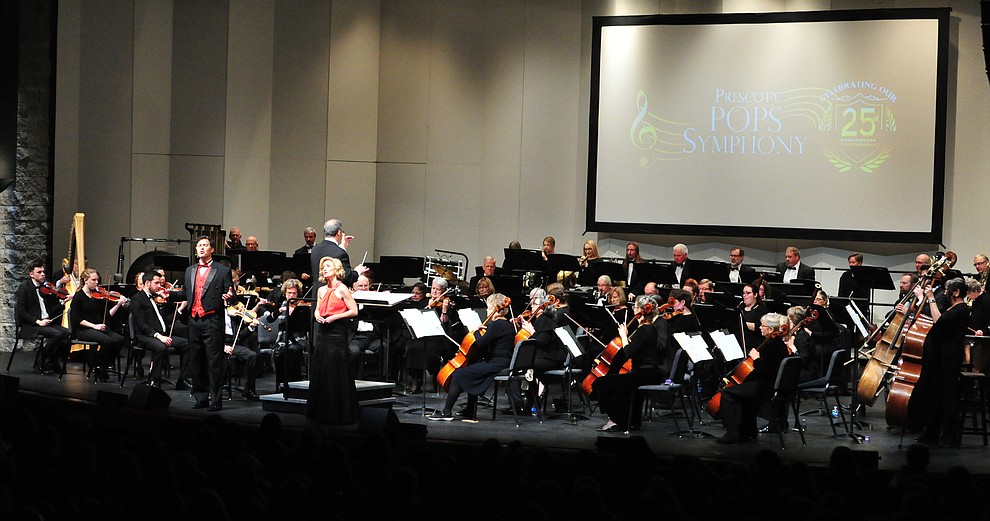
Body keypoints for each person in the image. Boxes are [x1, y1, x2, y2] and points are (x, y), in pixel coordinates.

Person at [429, 293, 515, 421]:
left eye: (488, 307)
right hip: (502, 361)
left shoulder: (496, 325)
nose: (487, 310)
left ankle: (446, 413)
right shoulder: (507, 324)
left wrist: (475, 332)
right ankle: (470, 410)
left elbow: (481, 343)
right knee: (471, 366)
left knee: (458, 374)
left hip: (497, 364)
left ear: (494, 308)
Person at [716, 312, 791, 444]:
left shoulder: (772, 346)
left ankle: (732, 433)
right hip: (770, 385)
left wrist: (756, 359)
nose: (760, 328)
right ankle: (748, 432)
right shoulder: (778, 345)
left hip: (765, 387)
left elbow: (764, 371)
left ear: (771, 329)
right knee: (741, 392)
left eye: (763, 325)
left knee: (727, 393)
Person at [913, 277, 970, 447]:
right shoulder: (955, 308)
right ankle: (931, 433)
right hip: (941, 359)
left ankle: (947, 437)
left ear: (956, 292)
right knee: (937, 398)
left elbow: (938, 320)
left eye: (947, 290)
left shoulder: (961, 309)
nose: (945, 293)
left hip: (949, 360)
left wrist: (930, 297)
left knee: (948, 399)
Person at [593, 295, 663, 432]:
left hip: (644, 373)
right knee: (619, 384)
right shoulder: (650, 328)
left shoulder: (645, 329)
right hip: (647, 372)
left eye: (635, 306)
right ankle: (629, 420)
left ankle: (616, 419)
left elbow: (629, 353)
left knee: (601, 383)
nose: (633, 309)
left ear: (641, 311)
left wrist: (624, 336)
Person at [184, 236, 234, 412]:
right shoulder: (189, 270)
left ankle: (216, 399)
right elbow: (187, 293)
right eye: (199, 246)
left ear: (212, 249)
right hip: (194, 319)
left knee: (214, 362)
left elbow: (231, 292)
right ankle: (201, 397)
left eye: (205, 245)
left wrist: (229, 296)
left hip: (212, 319)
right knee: (196, 360)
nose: (202, 248)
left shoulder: (221, 270)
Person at [309, 256, 360, 424]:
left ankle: (339, 412)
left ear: (336, 269)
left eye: (328, 266)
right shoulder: (321, 290)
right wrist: (317, 316)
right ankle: (320, 411)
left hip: (337, 334)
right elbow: (317, 309)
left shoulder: (343, 289)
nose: (324, 269)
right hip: (323, 333)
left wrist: (335, 317)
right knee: (322, 369)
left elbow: (354, 311)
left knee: (335, 371)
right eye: (323, 267)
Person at [129, 270, 191, 389]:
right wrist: (159, 336)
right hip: (144, 336)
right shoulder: (137, 300)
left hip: (162, 334)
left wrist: (177, 308)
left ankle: (183, 380)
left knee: (187, 345)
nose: (159, 286)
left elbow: (165, 320)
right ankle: (154, 379)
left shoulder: (158, 298)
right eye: (156, 283)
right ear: (147, 283)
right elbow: (142, 326)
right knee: (160, 347)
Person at [69, 268, 129, 382]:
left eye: (97, 280)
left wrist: (119, 304)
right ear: (86, 280)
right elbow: (76, 319)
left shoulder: (98, 296)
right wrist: (94, 326)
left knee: (120, 339)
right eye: (94, 280)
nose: (97, 282)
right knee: (108, 341)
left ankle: (103, 365)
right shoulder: (78, 296)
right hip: (83, 330)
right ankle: (99, 366)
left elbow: (107, 315)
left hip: (99, 328)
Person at [404, 278, 463, 393]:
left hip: (439, 337)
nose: (435, 292)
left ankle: (433, 377)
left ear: (444, 291)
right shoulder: (424, 302)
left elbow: (445, 325)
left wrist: (445, 310)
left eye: (438, 290)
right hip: (423, 334)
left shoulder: (446, 305)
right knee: (411, 346)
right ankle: (416, 378)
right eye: (433, 289)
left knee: (429, 348)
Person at [14, 259, 71, 375]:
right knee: (57, 334)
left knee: (67, 334)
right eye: (39, 272)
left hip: (47, 322)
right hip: (32, 325)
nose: (43, 274)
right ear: (31, 274)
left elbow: (51, 311)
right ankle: (41, 362)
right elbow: (21, 311)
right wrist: (37, 321)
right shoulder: (24, 287)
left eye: (43, 272)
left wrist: (62, 303)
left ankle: (53, 362)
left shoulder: (46, 288)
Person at [268, 278, 310, 391]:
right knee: (281, 352)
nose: (291, 295)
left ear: (298, 293)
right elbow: (269, 319)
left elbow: (303, 325)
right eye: (289, 293)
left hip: (298, 338)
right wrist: (280, 311)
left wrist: (295, 314)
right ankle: (283, 384)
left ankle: (294, 384)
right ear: (285, 293)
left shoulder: (301, 306)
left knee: (293, 351)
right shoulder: (281, 305)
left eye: (294, 293)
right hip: (282, 339)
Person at [310, 218, 368, 291]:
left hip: (317, 295)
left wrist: (342, 247)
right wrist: (357, 271)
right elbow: (346, 278)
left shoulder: (315, 250)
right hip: (333, 296)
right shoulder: (340, 253)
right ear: (339, 233)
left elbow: (331, 252)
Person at [223, 303, 261, 401]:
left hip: (233, 344)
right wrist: (223, 346)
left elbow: (239, 338)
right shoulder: (215, 315)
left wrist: (251, 327)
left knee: (252, 355)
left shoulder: (234, 316)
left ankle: (248, 391)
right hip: (218, 344)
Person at [349, 274, 384, 379]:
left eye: (366, 286)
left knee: (384, 347)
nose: (364, 289)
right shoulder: (348, 301)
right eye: (360, 286)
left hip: (373, 337)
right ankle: (353, 379)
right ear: (353, 288)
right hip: (356, 337)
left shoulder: (375, 301)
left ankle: (378, 379)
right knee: (353, 351)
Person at [739, 282, 768, 350]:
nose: (744, 295)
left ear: (755, 295)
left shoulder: (762, 310)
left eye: (748, 293)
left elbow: (757, 327)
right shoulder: (740, 308)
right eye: (743, 293)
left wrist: (740, 323)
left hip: (754, 345)